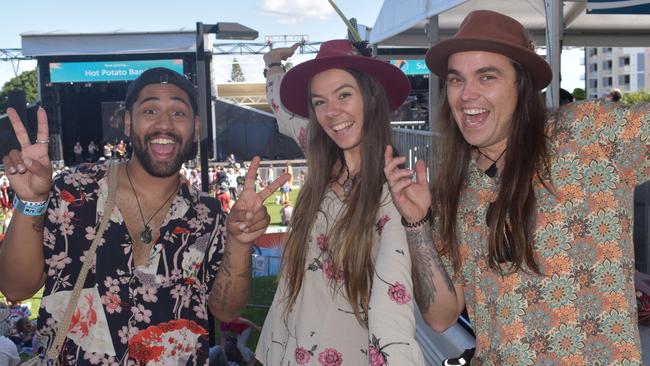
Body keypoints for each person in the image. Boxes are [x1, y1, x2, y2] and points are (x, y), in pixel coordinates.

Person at [384, 10, 647, 364]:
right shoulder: (454, 189)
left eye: (487, 76)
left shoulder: (588, 134)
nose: (467, 95)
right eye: (456, 80)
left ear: (520, 85)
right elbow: (440, 316)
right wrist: (416, 224)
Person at [0, 67, 289, 365]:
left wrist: (240, 243)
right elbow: (15, 288)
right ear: (127, 122)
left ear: (197, 127)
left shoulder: (208, 214)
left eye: (178, 113)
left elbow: (226, 311)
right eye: (150, 110)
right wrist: (31, 201)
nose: (164, 124)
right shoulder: (74, 193)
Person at [256, 39, 424, 365]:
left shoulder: (396, 193)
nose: (331, 113)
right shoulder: (322, 152)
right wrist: (273, 65)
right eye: (319, 102)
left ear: (372, 99)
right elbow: (283, 109)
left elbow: (394, 305)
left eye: (344, 95)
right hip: (281, 351)